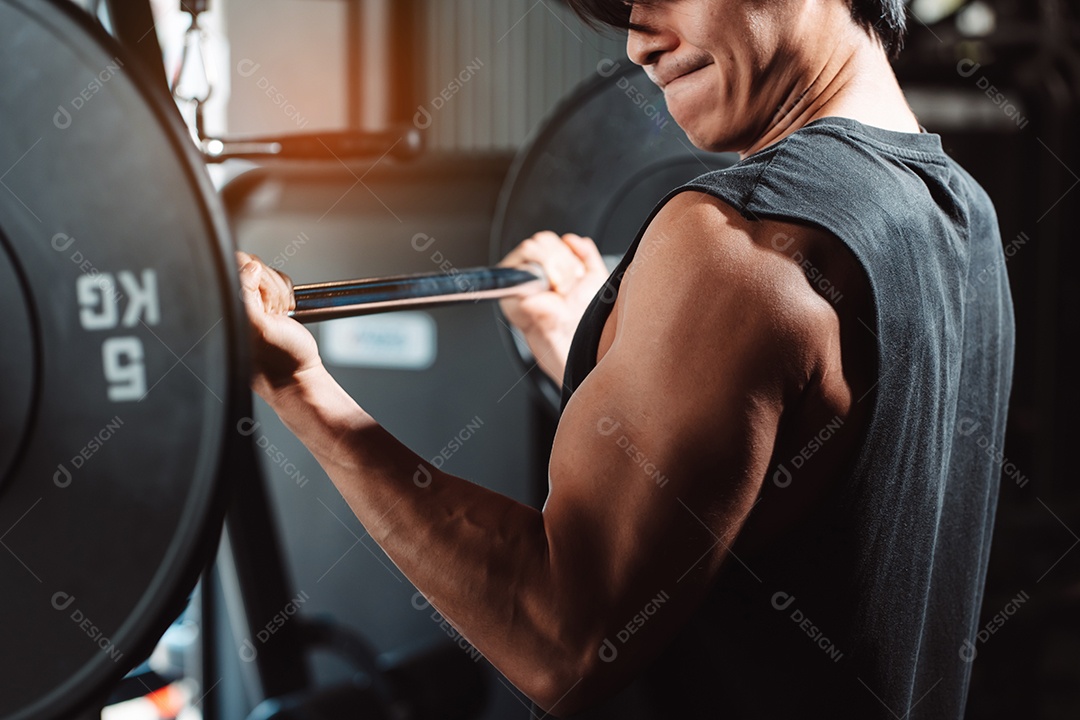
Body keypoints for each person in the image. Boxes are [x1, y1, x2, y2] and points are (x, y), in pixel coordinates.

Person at [236, 0, 1015, 716]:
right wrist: (608, 354)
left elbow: (560, 640)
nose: (640, 40)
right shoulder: (960, 212)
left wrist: (298, 387)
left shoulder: (733, 242)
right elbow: (816, 478)